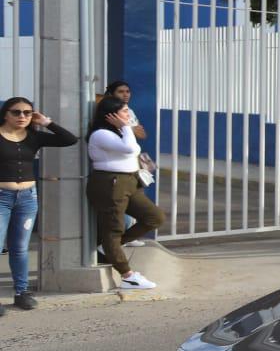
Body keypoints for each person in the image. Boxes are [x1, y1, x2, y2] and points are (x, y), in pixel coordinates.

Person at [0, 97, 78, 310]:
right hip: (1, 198)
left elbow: (70, 139)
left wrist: (47, 123)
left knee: (20, 248)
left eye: (27, 112)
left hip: (27, 198)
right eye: (16, 112)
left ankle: (21, 293)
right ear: (5, 114)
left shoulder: (34, 136)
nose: (22, 116)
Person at [86, 97, 163, 289]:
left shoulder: (120, 131)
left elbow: (133, 149)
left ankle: (106, 247)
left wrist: (125, 127)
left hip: (130, 181)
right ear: (111, 115)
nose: (128, 116)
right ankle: (127, 275)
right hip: (111, 182)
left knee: (154, 217)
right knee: (113, 228)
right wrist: (127, 128)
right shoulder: (101, 134)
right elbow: (130, 148)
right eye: (124, 112)